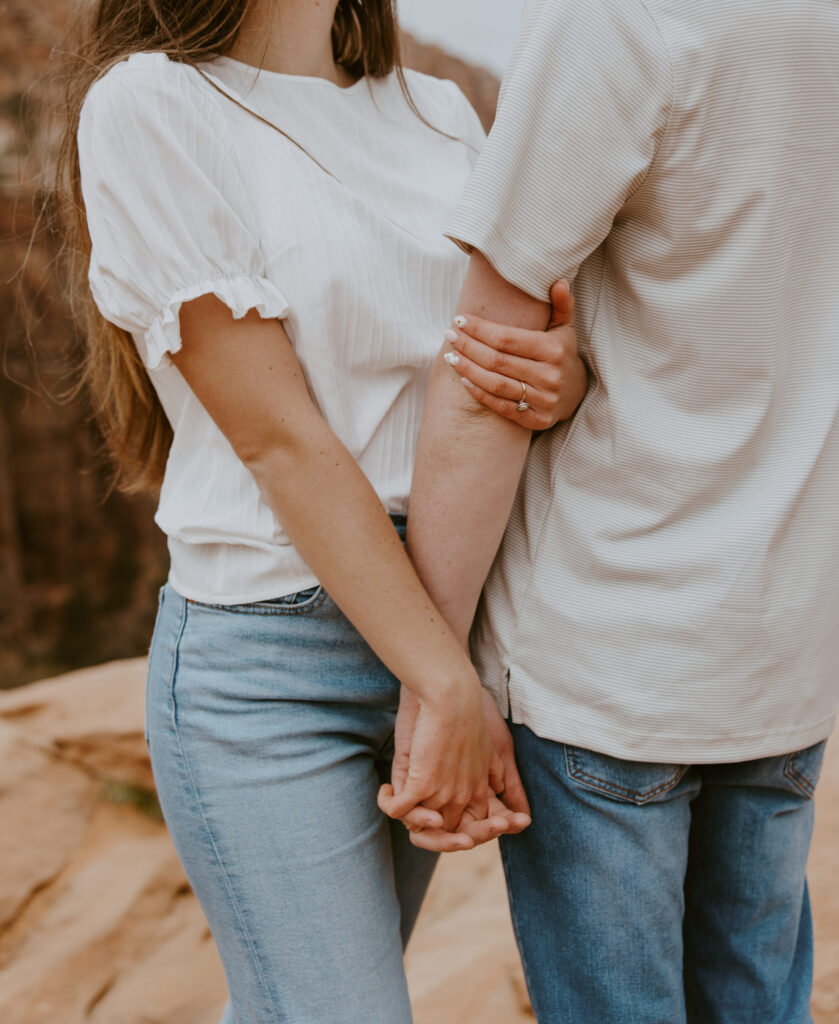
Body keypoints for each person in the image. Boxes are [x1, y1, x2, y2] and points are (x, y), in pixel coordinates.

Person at [57, 0, 588, 1020]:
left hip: (447, 595)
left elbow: (490, 366)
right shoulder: (150, 103)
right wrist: (441, 680)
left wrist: (554, 380)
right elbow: (281, 439)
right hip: (268, 663)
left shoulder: (437, 111)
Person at [391, 0, 839, 1021]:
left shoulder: (612, 16)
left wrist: (429, 666)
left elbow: (484, 365)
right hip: (785, 651)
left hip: (610, 649)